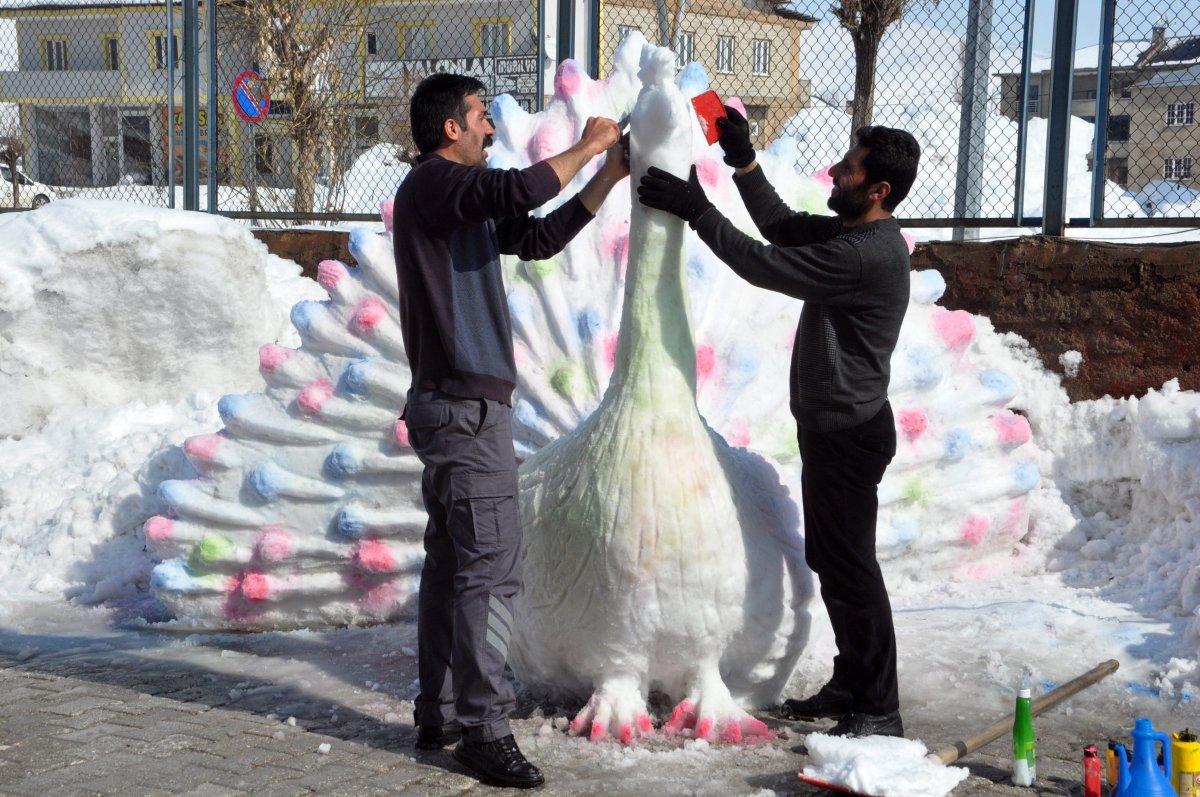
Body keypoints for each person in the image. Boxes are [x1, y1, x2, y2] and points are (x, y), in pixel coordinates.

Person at [636, 108, 920, 739]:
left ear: (878, 190)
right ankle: (854, 683)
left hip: (849, 435)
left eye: (849, 169)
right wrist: (744, 161)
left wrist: (695, 208)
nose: (835, 171)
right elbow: (783, 227)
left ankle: (879, 708)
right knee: (835, 559)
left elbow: (763, 263)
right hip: (835, 429)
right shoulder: (854, 238)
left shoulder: (868, 256)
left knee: (852, 568)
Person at [393, 73, 626, 787]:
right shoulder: (434, 184)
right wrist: (589, 145)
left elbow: (536, 234)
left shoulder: (455, 201)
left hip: (456, 405)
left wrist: (606, 178)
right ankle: (484, 728)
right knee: (489, 570)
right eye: (481, 118)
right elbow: (517, 193)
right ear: (450, 130)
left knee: (453, 563)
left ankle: (440, 710)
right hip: (465, 410)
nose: (492, 129)